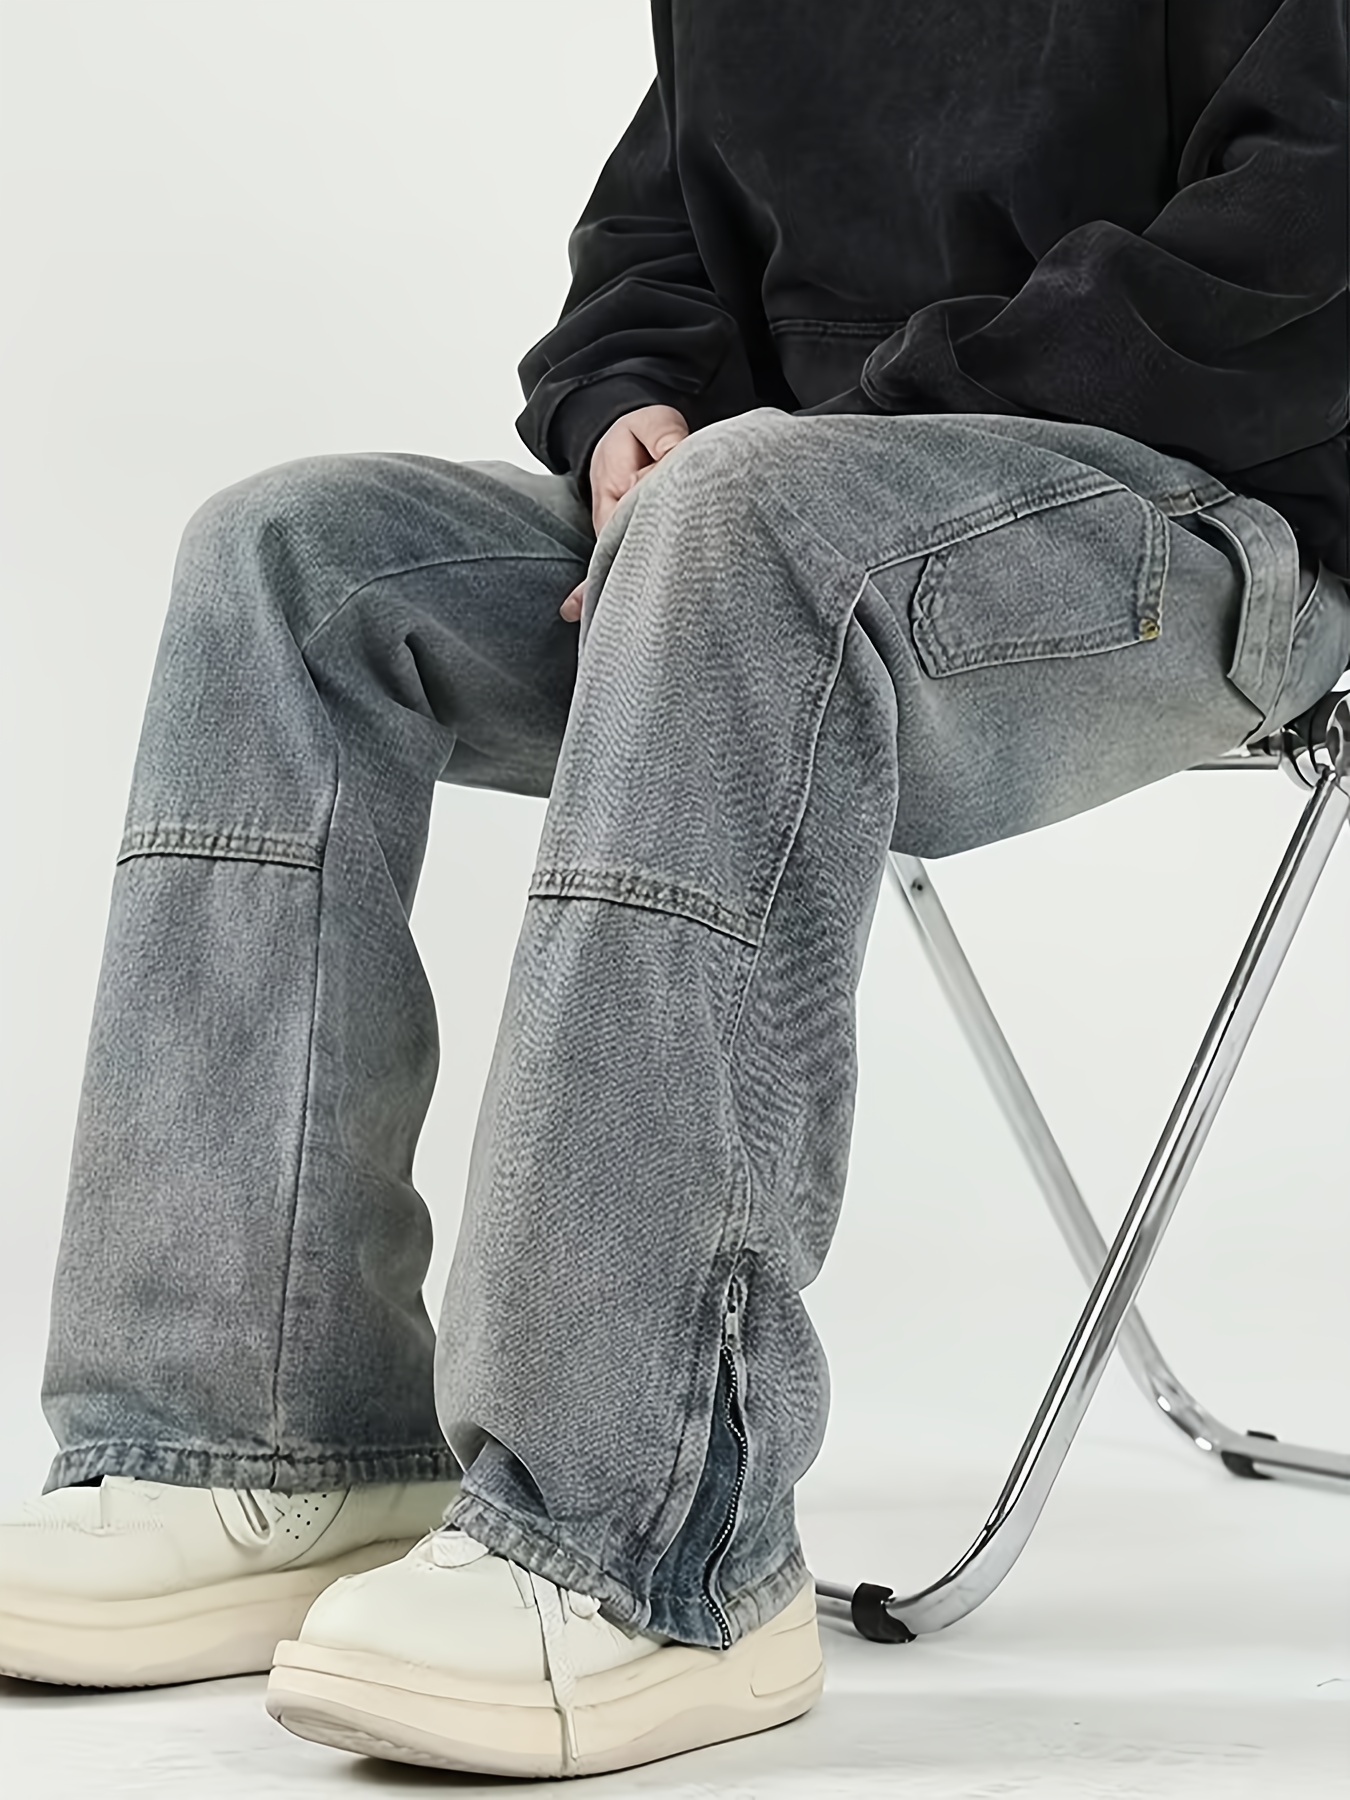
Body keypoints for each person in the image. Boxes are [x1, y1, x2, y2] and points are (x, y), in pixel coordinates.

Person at [2, 0, 1347, 1782]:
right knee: (294, 556)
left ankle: (647, 1539)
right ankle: (254, 1444)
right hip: (773, 507)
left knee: (747, 517)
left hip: (1200, 519)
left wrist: (813, 445)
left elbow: (1298, 243)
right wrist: (625, 411)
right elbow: (653, 237)